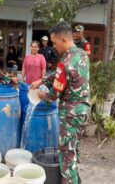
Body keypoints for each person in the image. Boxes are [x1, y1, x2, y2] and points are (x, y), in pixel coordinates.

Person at [31, 21, 90, 184]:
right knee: (73, 151)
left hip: (70, 115)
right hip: (83, 112)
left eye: (55, 42)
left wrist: (43, 95)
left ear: (64, 40)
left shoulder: (65, 62)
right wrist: (41, 79)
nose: (54, 46)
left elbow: (55, 93)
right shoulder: (81, 54)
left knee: (66, 158)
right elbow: (60, 75)